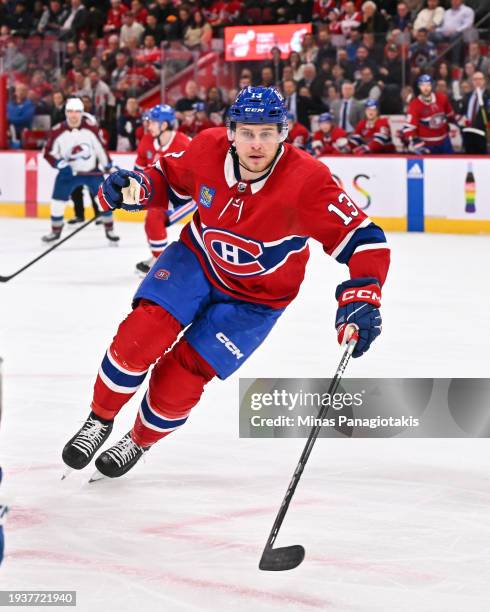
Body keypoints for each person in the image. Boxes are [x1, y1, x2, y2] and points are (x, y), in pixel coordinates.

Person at [61, 86, 390, 480]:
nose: (256, 144)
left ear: (284, 134)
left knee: (183, 376)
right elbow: (166, 178)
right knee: (142, 333)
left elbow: (365, 239)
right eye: (247, 132)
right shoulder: (207, 148)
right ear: (231, 132)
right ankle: (100, 419)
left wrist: (363, 295)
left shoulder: (308, 181)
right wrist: (138, 186)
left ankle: (139, 439)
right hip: (197, 259)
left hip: (257, 300)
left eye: (267, 133)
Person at [42, 97, 119, 243]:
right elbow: (48, 153)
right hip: (68, 174)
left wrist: (108, 165)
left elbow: (100, 149)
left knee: (104, 200)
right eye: (70, 111)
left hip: (91, 172)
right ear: (66, 113)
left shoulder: (91, 128)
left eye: (77, 112)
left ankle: (110, 230)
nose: (73, 115)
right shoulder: (57, 131)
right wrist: (59, 164)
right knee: (57, 201)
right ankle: (55, 231)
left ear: (82, 113)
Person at [133, 104, 195, 275]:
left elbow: (196, 175)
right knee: (151, 220)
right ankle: (157, 257)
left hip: (188, 197)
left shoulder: (184, 143)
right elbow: (138, 172)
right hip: (165, 194)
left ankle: (161, 263)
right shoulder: (147, 141)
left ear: (164, 125)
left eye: (152, 122)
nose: (149, 125)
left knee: (155, 216)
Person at [402, 74, 460, 154]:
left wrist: (459, 124)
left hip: (445, 142)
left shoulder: (442, 98)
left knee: (450, 165)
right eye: (422, 85)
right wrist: (414, 140)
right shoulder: (414, 105)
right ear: (419, 87)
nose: (425, 88)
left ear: (432, 86)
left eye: (428, 85)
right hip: (427, 145)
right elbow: (408, 129)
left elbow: (451, 116)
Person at [460, 71, 490, 154]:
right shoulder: (467, 96)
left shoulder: (488, 95)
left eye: (480, 79)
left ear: (484, 81)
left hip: (482, 134)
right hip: (468, 133)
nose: (478, 81)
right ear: (472, 82)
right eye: (475, 79)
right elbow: (463, 113)